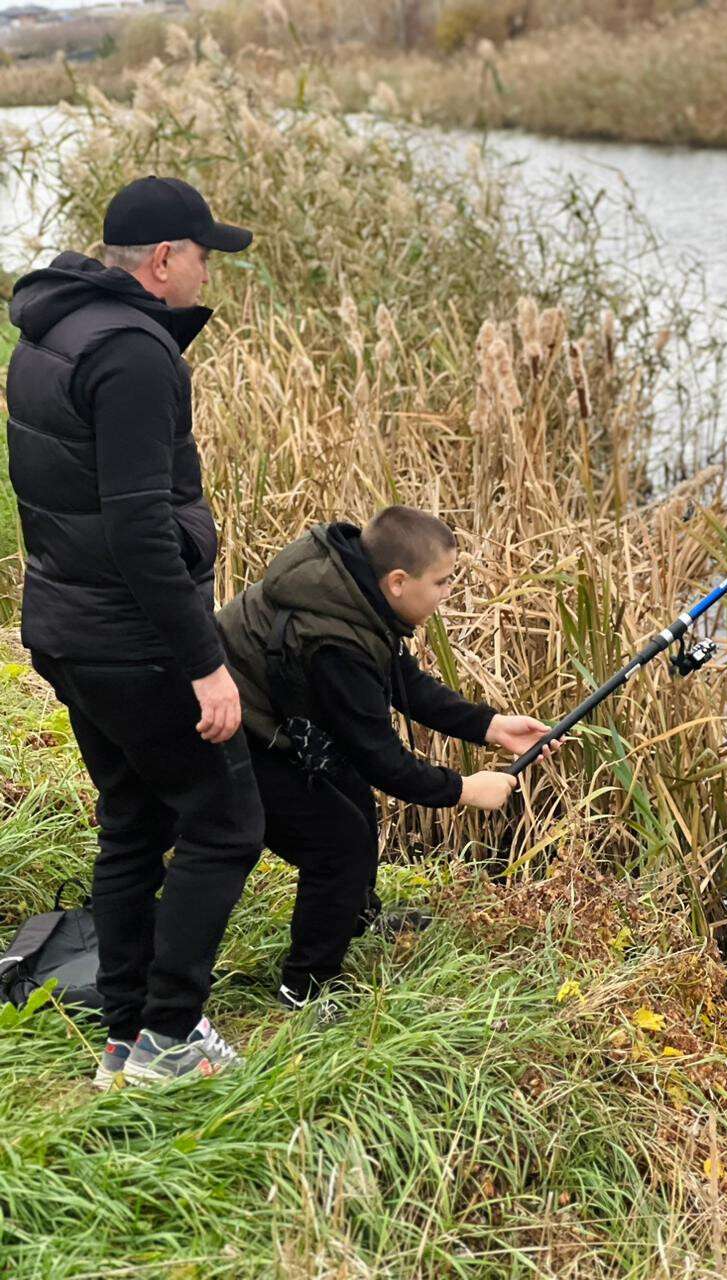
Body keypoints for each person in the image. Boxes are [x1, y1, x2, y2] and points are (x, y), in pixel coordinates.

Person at [6, 177, 265, 1087]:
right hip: (132, 639)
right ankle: (168, 1037)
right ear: (163, 260)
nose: (206, 273)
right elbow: (138, 527)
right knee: (228, 822)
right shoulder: (135, 356)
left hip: (67, 627)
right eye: (202, 256)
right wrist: (206, 665)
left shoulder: (51, 335)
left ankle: (125, 1038)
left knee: (133, 821)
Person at [217, 507, 557, 1010]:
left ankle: (355, 914)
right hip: (228, 735)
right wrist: (464, 790)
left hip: (263, 719)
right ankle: (306, 985)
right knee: (338, 841)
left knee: (350, 794)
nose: (447, 594)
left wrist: (490, 726)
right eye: (441, 582)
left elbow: (404, 683)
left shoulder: (355, 591)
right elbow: (382, 759)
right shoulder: (335, 641)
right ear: (398, 581)